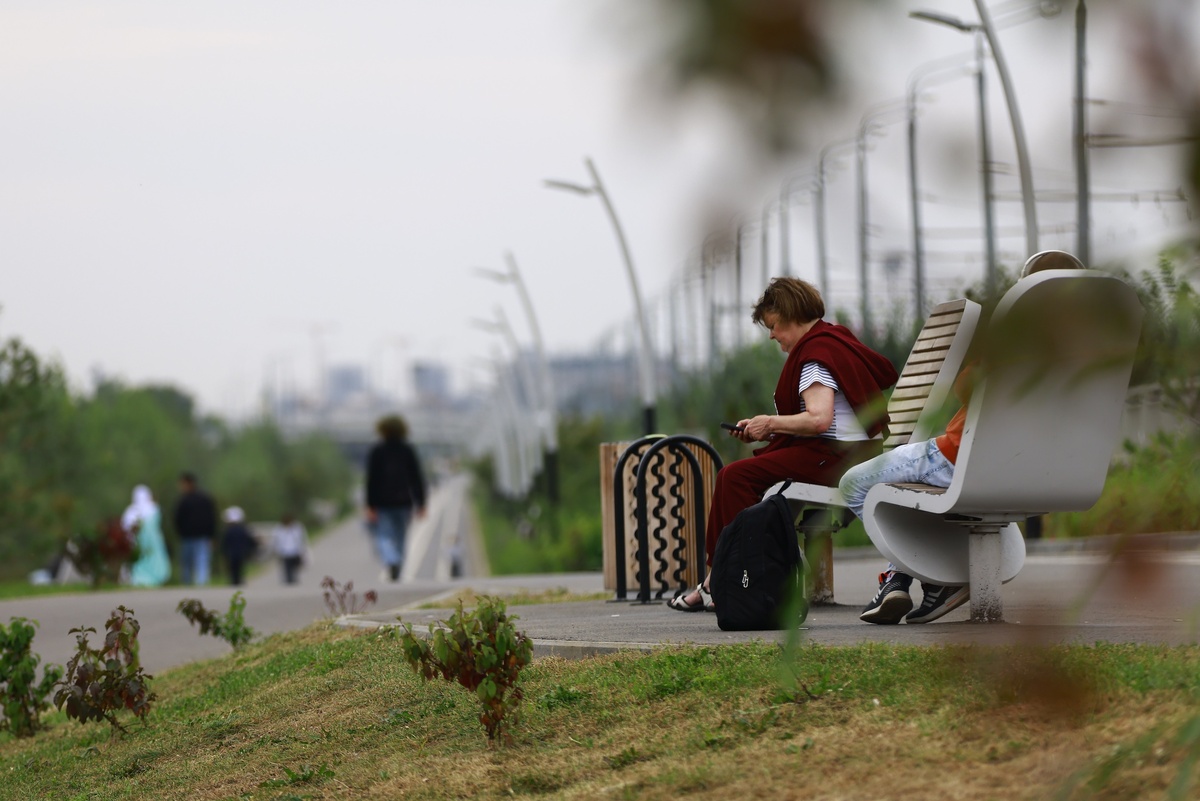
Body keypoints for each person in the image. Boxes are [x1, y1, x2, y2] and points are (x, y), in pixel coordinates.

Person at [844, 249, 1085, 625]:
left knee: (855, 484)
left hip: (957, 460)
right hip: (1034, 475)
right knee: (911, 496)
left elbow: (968, 387)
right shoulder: (1089, 355)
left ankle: (915, 577)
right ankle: (907, 578)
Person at [669, 277, 899, 612]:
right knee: (739, 476)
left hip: (838, 456)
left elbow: (819, 420)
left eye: (774, 325)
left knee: (736, 478)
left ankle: (721, 581)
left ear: (791, 314)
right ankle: (718, 578)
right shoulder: (833, 339)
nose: (772, 335)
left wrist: (772, 423)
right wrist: (763, 429)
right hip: (848, 452)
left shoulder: (815, 356)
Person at [365, 414, 428, 582]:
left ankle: (390, 559)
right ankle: (398, 563)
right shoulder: (407, 450)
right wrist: (421, 503)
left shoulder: (377, 451)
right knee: (401, 536)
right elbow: (417, 478)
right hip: (404, 502)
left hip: (382, 502)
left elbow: (371, 480)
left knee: (383, 535)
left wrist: (370, 505)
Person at [174, 471, 218, 585]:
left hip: (192, 537)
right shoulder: (205, 499)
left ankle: (191, 586)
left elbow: (177, 519)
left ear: (189, 483)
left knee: (190, 563)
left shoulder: (183, 501)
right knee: (199, 562)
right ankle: (200, 584)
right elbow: (212, 519)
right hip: (194, 537)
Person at [123, 485, 171, 587]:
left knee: (139, 563)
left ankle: (138, 580)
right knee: (153, 562)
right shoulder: (153, 508)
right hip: (153, 543)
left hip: (136, 543)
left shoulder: (130, 511)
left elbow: (125, 527)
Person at [220, 506, 259, 586]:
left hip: (231, 553)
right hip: (241, 552)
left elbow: (224, 543)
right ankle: (239, 580)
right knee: (240, 567)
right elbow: (250, 541)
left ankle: (234, 580)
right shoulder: (243, 529)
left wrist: (224, 552)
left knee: (233, 567)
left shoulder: (227, 530)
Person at [271, 512, 309, 585]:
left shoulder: (297, 527)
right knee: (287, 566)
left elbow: (302, 539)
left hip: (295, 551)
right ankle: (289, 579)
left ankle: (293, 578)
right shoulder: (279, 529)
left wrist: (303, 550)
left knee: (295, 566)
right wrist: (276, 550)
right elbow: (275, 541)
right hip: (284, 552)